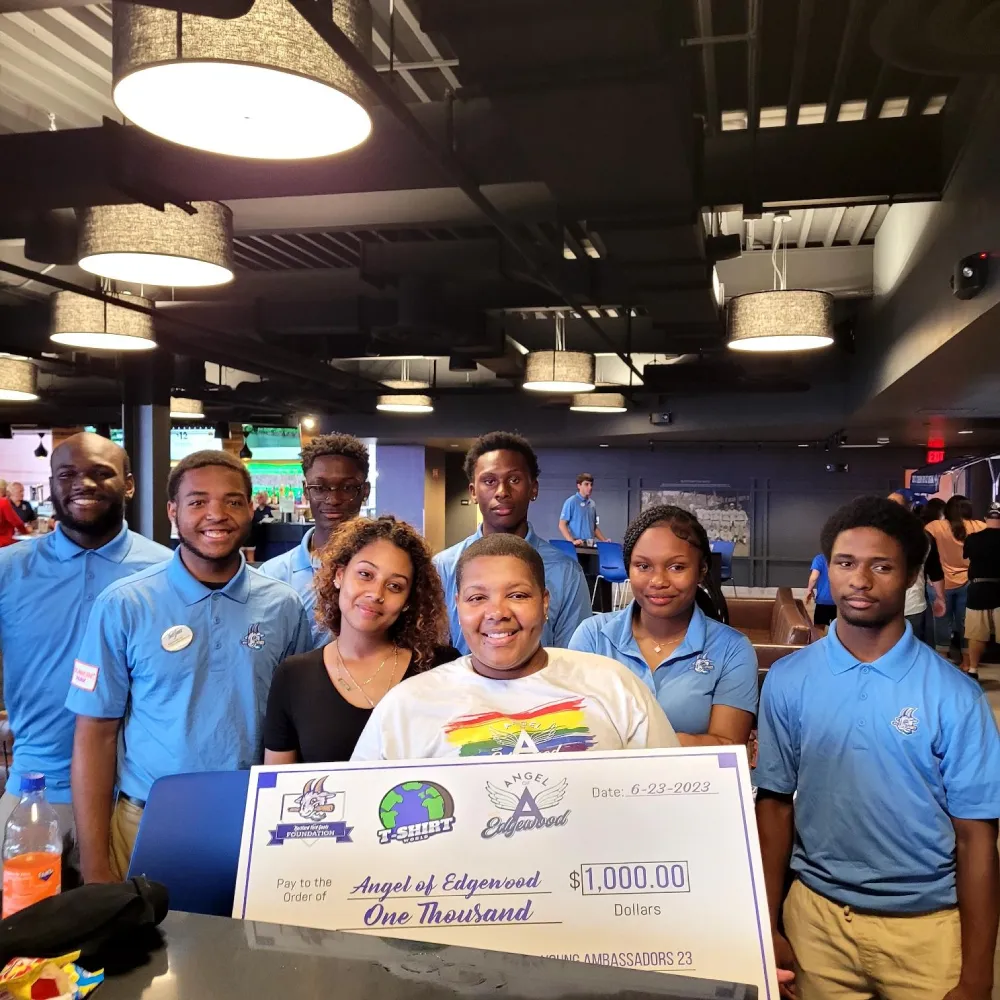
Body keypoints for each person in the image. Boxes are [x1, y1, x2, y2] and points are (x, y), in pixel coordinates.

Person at [755, 496, 1000, 1000]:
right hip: (815, 918)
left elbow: (978, 839)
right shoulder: (788, 679)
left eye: (881, 566)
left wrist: (977, 974)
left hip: (926, 929)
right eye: (845, 563)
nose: (859, 580)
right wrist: (768, 924)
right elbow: (774, 806)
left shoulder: (955, 695)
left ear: (911, 575)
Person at [66, 450, 311, 883]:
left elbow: (295, 728)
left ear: (252, 509)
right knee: (145, 947)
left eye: (233, 501)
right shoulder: (125, 604)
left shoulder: (283, 605)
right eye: (197, 502)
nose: (216, 514)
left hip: (254, 821)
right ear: (172, 512)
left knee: (252, 950)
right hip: (147, 820)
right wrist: (95, 865)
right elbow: (95, 736)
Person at [0, 433, 170, 880]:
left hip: (134, 797)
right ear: (52, 484)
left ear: (129, 484)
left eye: (100, 473)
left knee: (133, 942)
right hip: (35, 791)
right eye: (68, 474)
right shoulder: (9, 569)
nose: (83, 484)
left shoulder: (164, 571)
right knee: (23, 941)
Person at [353, 533, 678, 760]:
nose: (497, 613)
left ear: (545, 602)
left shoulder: (613, 685)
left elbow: (672, 793)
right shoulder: (407, 705)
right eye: (477, 598)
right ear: (457, 606)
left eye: (517, 595)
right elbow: (363, 819)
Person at [263, 516, 460, 764]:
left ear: (409, 601)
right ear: (339, 575)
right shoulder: (293, 677)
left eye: (395, 586)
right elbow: (279, 787)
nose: (376, 594)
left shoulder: (442, 667)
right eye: (365, 574)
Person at [568, 505, 757, 746]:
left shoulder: (733, 649)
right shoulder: (593, 636)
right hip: (602, 783)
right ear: (629, 568)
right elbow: (573, 736)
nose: (658, 581)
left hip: (694, 784)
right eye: (643, 566)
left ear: (701, 571)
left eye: (676, 567)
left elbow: (726, 748)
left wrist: (630, 744)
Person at [433, 432, 591, 654]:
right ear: (473, 492)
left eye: (514, 480)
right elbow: (435, 656)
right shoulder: (442, 567)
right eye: (489, 481)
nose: (502, 492)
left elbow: (573, 661)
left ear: (533, 488)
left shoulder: (566, 573)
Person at [258, 434, 370, 648]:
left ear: (364, 492)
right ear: (305, 490)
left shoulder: (384, 573)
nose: (333, 499)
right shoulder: (274, 576)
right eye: (319, 488)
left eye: (347, 488)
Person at [926, 495, 987, 667]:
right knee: (967, 623)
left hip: (939, 583)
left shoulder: (934, 527)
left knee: (941, 621)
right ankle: (967, 661)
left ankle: (943, 660)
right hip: (969, 582)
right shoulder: (980, 526)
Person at [888, 490, 946, 645]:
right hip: (913, 605)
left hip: (882, 606)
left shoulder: (875, 535)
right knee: (913, 651)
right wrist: (940, 598)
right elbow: (935, 571)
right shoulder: (924, 537)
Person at [963, 501, 1000, 680]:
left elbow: (967, 559)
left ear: (986, 518)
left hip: (979, 588)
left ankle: (973, 669)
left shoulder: (973, 538)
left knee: (976, 633)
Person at [559, 473, 608, 546]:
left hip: (590, 544)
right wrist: (572, 542)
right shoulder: (571, 502)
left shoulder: (592, 504)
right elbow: (562, 525)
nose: (590, 487)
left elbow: (594, 528)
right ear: (579, 486)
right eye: (586, 484)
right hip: (577, 545)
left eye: (591, 485)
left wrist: (604, 541)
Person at [805, 553, 836, 628]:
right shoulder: (844, 558)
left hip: (823, 600)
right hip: (840, 601)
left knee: (819, 628)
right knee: (839, 630)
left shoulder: (820, 558)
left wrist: (809, 590)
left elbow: (814, 577)